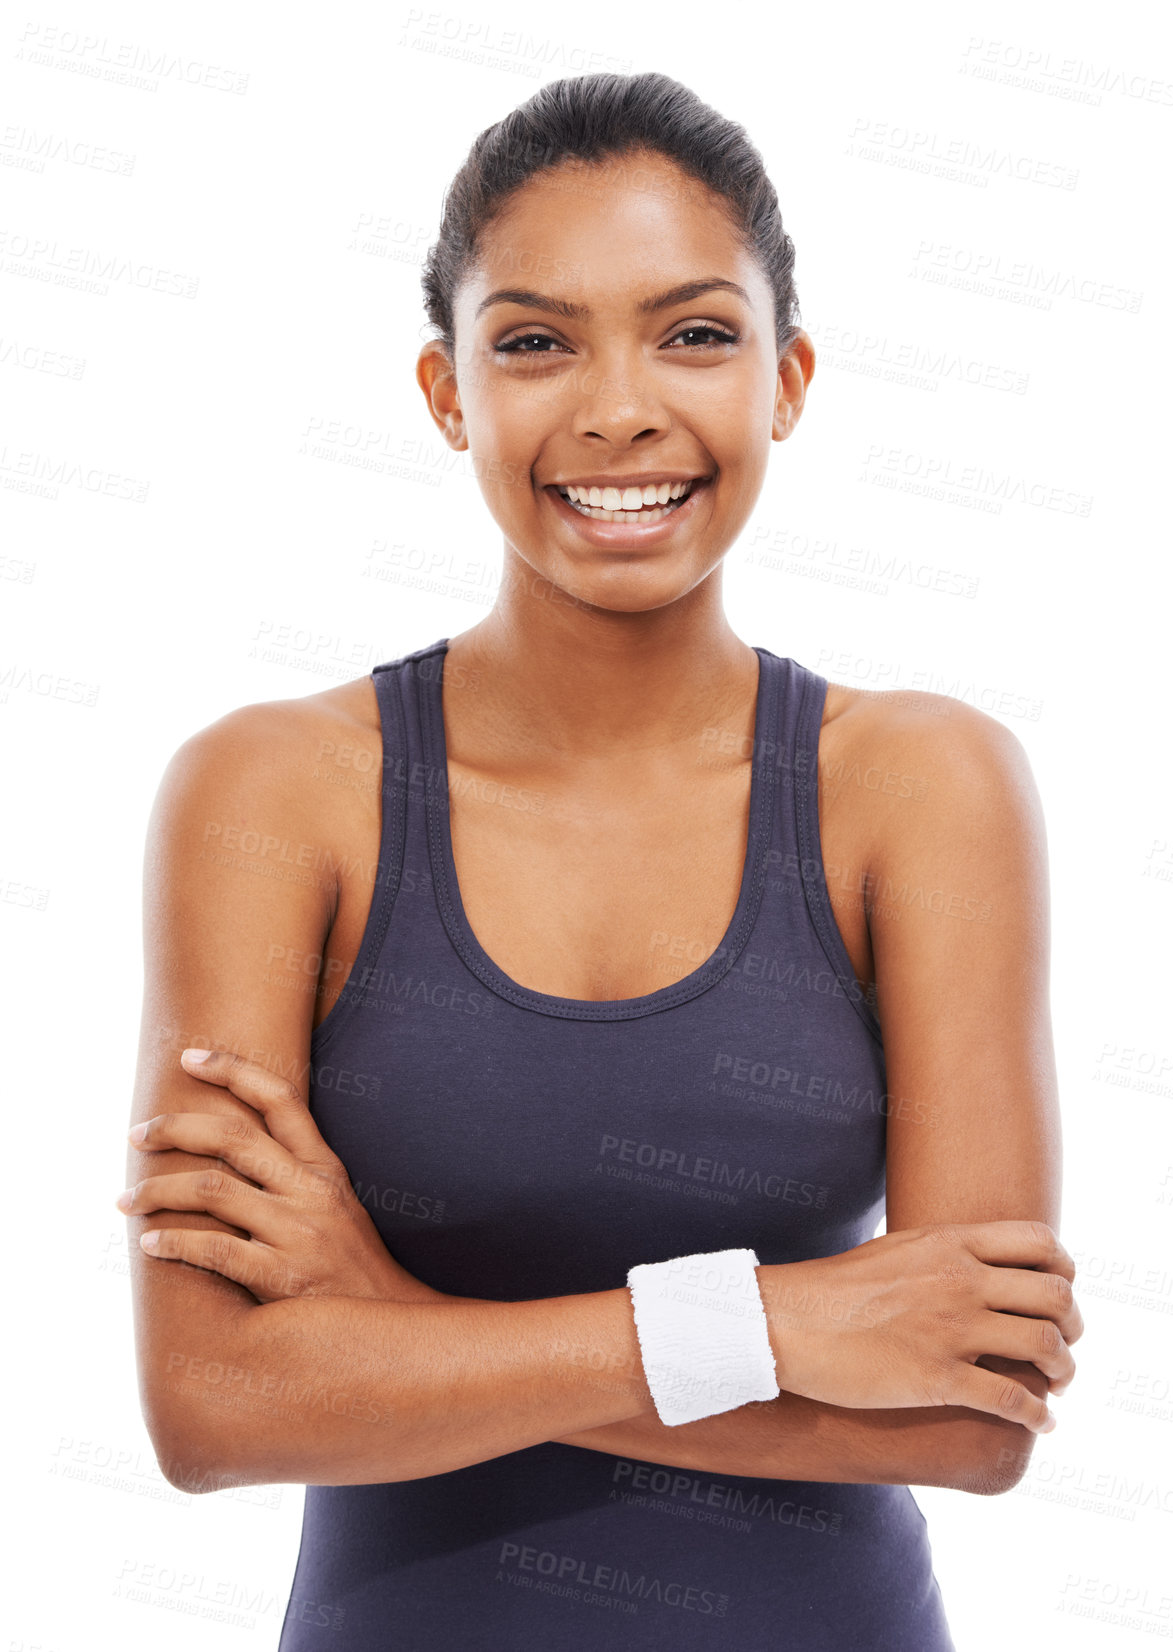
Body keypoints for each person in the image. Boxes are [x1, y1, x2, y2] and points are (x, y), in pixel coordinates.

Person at [118, 71, 1082, 1650]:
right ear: (446, 394)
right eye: (535, 340)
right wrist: (777, 1323)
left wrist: (392, 1335)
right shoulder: (277, 790)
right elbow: (215, 1406)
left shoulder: (921, 783)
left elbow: (970, 1424)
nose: (617, 406)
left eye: (693, 332)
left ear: (788, 377)